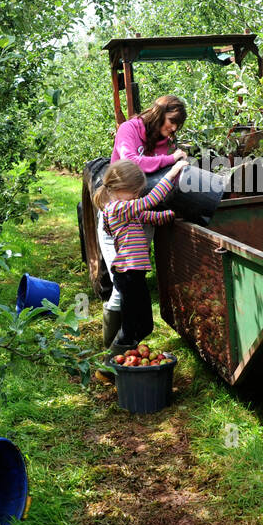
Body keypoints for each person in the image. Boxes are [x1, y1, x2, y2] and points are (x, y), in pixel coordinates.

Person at [97, 95, 189, 346]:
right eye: (172, 121)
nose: (173, 128)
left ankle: (128, 352)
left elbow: (147, 212)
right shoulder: (129, 129)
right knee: (120, 294)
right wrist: (171, 166)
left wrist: (172, 214)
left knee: (140, 316)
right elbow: (132, 163)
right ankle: (113, 353)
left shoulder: (166, 141)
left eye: (177, 125)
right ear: (159, 113)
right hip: (121, 222)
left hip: (136, 222)